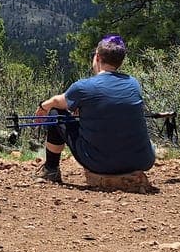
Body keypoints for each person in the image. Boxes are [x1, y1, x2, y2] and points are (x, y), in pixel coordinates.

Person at [35, 34, 155, 183]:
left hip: (99, 163)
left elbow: (57, 102)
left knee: (55, 113)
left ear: (97, 57)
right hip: (142, 160)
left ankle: (51, 170)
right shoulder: (134, 84)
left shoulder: (84, 87)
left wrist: (43, 106)